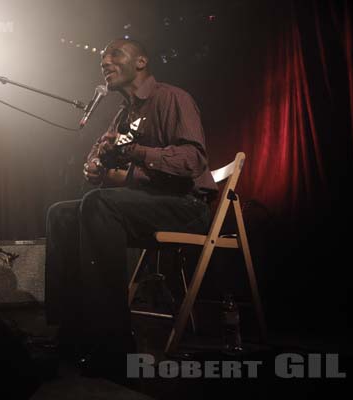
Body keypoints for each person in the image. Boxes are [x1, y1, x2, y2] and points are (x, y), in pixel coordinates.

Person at [44, 38, 218, 380]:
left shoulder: (172, 98)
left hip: (187, 206)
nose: (105, 62)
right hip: (147, 203)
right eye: (103, 59)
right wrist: (94, 167)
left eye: (115, 54)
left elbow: (193, 160)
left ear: (141, 62)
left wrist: (136, 151)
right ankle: (72, 333)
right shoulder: (123, 114)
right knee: (61, 214)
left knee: (98, 205)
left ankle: (113, 343)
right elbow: (108, 166)